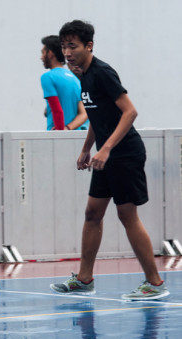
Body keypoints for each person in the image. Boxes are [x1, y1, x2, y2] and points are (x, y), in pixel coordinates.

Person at [50, 20, 169, 300]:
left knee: (127, 215)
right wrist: (87, 148)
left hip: (124, 153)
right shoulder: (83, 76)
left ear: (89, 46)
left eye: (73, 46)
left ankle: (154, 283)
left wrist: (107, 149)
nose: (67, 52)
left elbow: (129, 112)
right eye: (64, 46)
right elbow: (96, 115)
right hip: (106, 155)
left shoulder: (102, 72)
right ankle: (84, 279)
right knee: (93, 213)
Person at [40, 35, 88, 131]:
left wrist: (60, 130)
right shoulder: (75, 79)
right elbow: (84, 114)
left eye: (43, 53)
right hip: (73, 137)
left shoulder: (48, 77)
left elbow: (57, 110)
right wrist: (67, 128)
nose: (41, 57)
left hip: (56, 135)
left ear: (50, 53)